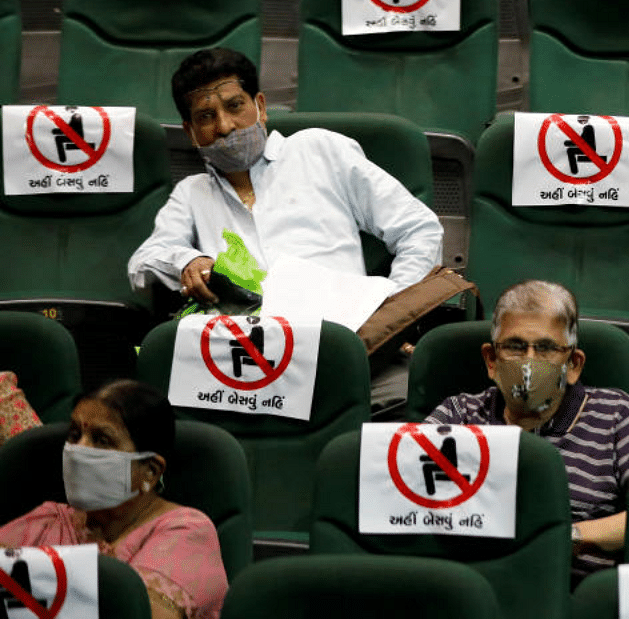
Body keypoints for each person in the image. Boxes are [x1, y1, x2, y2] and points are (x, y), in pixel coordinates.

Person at [126, 48, 444, 412]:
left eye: (234, 106)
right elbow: (143, 263)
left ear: (260, 105)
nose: (225, 127)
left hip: (343, 348)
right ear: (190, 131)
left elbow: (420, 229)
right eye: (206, 116)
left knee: (410, 405)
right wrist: (187, 259)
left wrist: (391, 311)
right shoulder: (192, 194)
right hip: (244, 370)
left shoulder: (319, 151)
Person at [0, 380, 226, 619]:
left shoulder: (187, 531)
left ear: (150, 470)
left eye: (102, 440)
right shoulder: (49, 520)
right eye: (75, 435)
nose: (79, 450)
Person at [425, 281, 629, 579]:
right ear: (492, 360)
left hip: (573, 590)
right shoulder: (457, 415)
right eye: (515, 346)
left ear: (573, 364)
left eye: (547, 348)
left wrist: (569, 537)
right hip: (472, 584)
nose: (529, 361)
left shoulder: (617, 415)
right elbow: (409, 502)